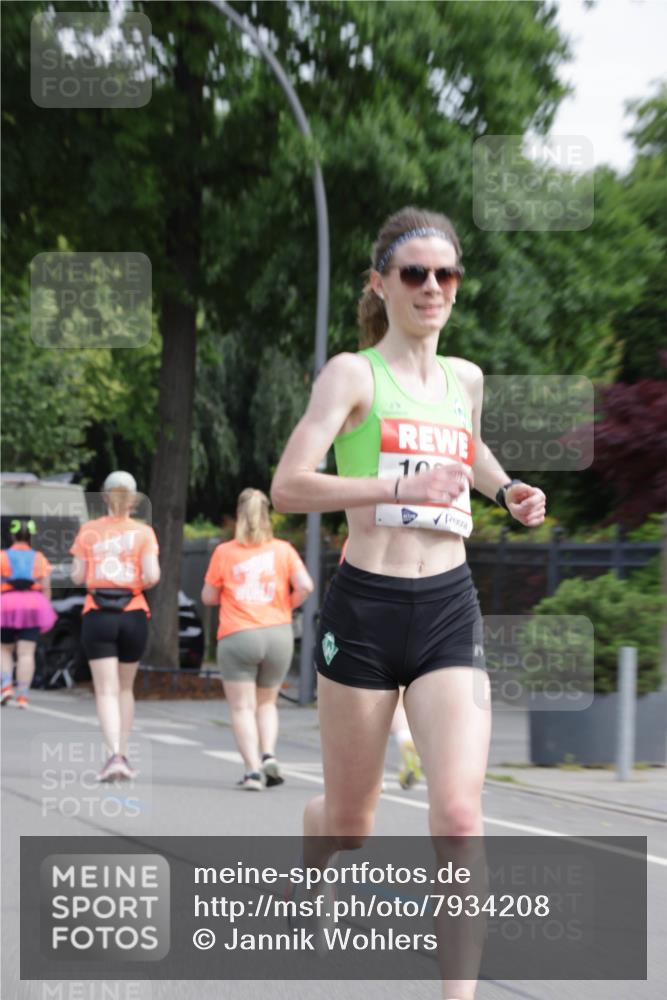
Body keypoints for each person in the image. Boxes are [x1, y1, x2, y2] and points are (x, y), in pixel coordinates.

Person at [271, 207, 546, 999]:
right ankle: (314, 858)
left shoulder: (465, 378)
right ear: (379, 284)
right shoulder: (352, 375)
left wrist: (505, 488)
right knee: (352, 823)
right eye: (414, 274)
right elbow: (290, 484)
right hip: (365, 611)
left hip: (448, 610)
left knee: (459, 817)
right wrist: (396, 486)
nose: (432, 288)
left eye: (446, 274)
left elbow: (467, 444)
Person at [202, 489, 314, 790]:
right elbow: (306, 585)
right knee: (267, 704)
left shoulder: (225, 552)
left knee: (241, 708)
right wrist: (285, 606)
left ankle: (252, 772)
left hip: (238, 634)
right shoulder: (284, 550)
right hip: (278, 633)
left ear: (240, 515)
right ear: (267, 516)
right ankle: (268, 754)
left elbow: (209, 596)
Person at [70, 471, 160, 782]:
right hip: (133, 612)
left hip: (98, 614)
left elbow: (77, 577)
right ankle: (124, 751)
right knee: (124, 688)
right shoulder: (143, 533)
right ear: (134, 499)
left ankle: (113, 756)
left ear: (105, 496)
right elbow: (152, 576)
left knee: (105, 690)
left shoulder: (88, 531)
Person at [1, 518, 57, 708]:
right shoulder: (40, 558)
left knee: (4, 649)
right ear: (31, 536)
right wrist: (44, 608)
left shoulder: (2, 556)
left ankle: (6, 685)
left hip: (6, 605)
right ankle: (23, 695)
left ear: (12, 535)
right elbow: (46, 587)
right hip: (33, 605)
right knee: (26, 653)